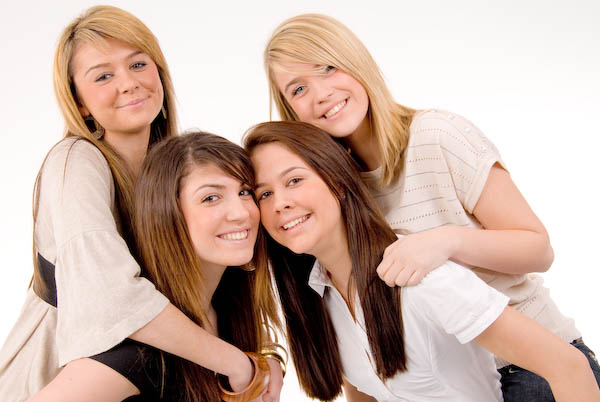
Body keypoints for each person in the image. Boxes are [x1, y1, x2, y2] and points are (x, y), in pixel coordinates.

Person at [262, 13, 600, 400]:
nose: (321, 93)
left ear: (357, 62)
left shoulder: (436, 136)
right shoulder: (328, 189)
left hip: (529, 363)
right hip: (449, 377)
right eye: (298, 88)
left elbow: (538, 250)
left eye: (328, 67)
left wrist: (445, 241)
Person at [0, 6, 282, 401]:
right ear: (79, 102)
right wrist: (235, 363)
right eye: (103, 76)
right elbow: (110, 295)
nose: (129, 83)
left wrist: (261, 356)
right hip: (61, 372)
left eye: (138, 64)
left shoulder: (169, 166)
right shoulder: (76, 160)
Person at [244, 120, 600, 402]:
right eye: (265, 194)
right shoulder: (319, 295)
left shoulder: (422, 277)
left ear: (337, 182)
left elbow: (569, 369)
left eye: (294, 180)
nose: (280, 203)